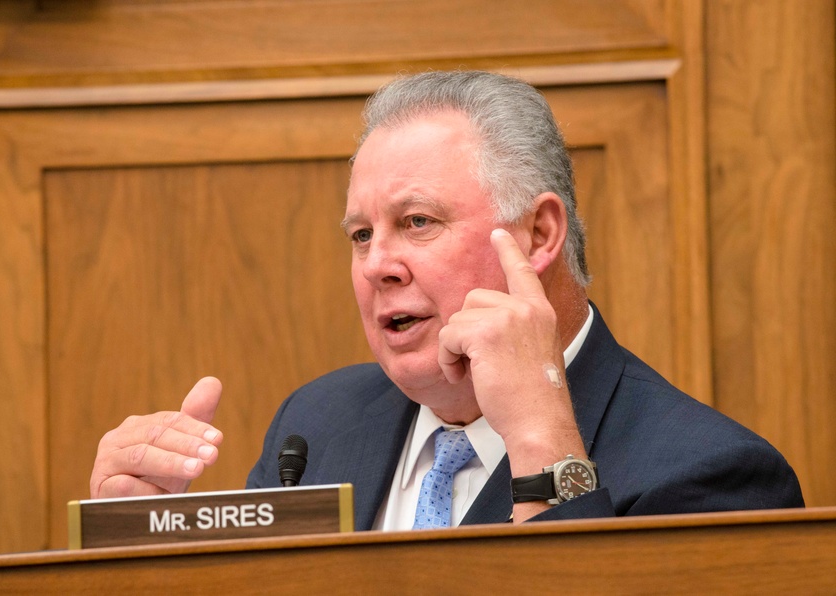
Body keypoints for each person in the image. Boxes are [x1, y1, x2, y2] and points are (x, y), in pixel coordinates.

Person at [90, 71, 803, 529]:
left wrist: (545, 448)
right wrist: (146, 551)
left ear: (538, 233)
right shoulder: (316, 427)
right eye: (361, 234)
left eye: (417, 223)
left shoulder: (709, 473)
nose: (378, 266)